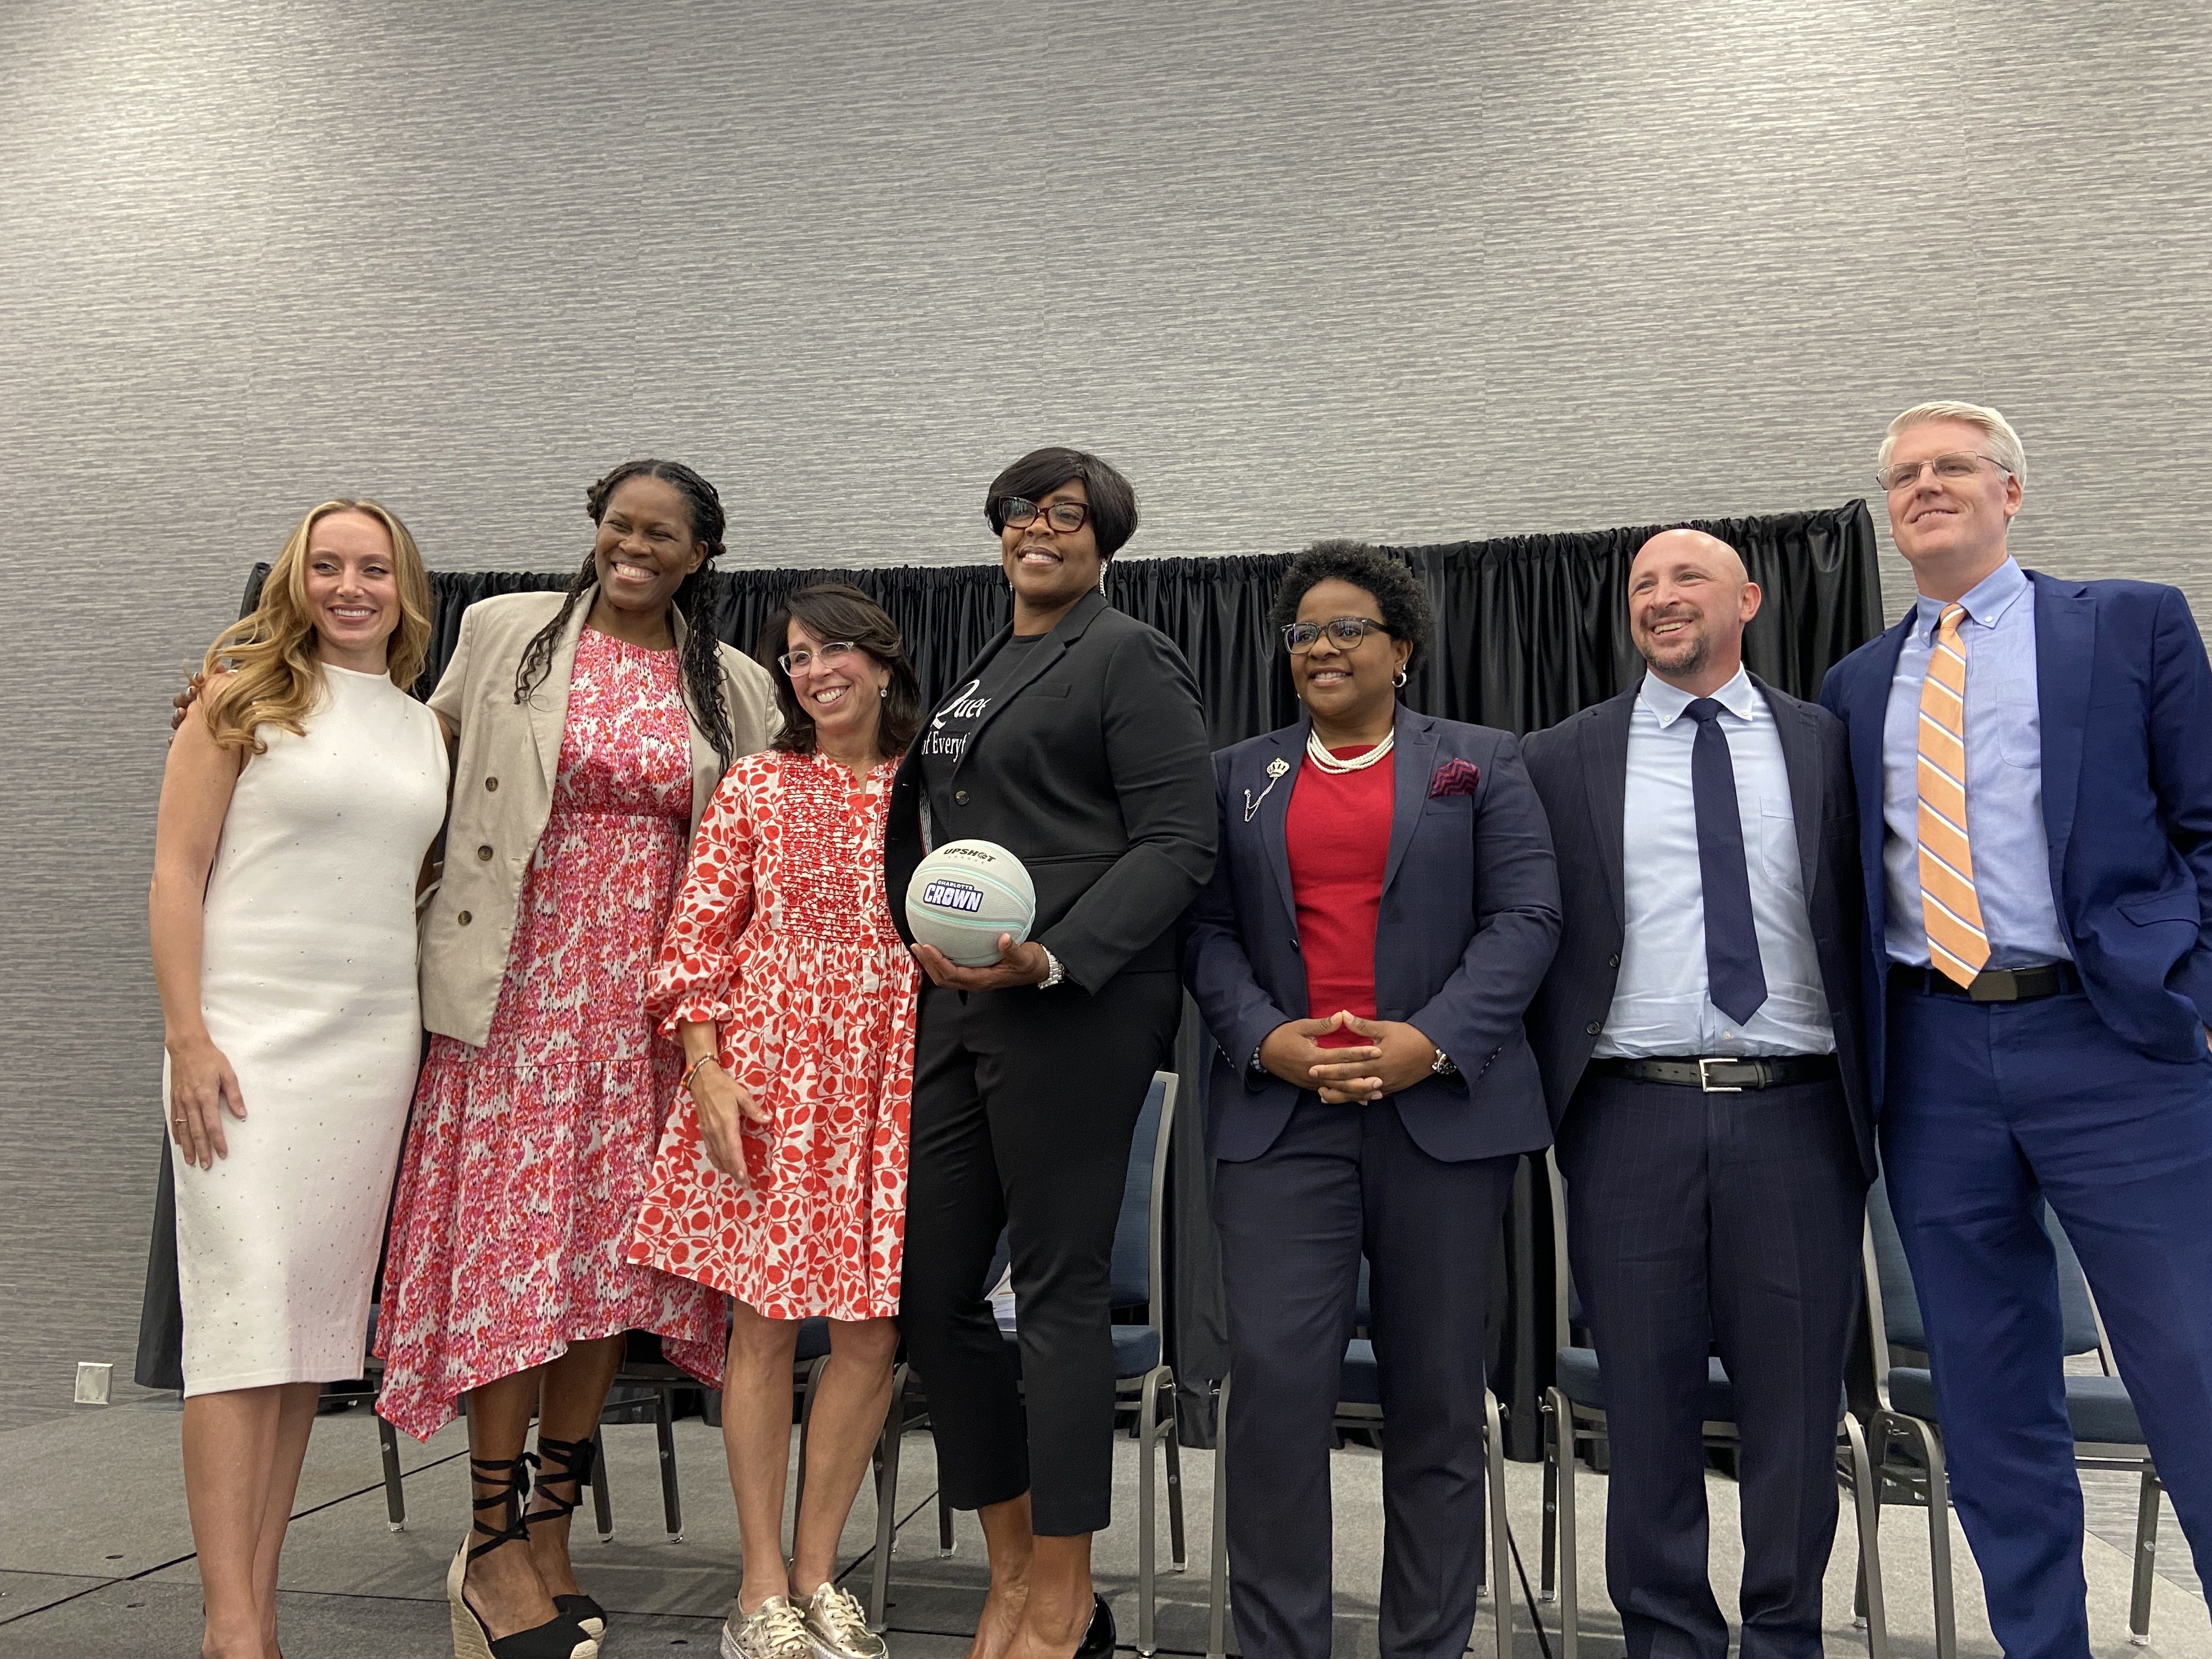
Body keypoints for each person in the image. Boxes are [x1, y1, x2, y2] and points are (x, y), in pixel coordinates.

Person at [1821, 401, 2212, 1657]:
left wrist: (2193, 999)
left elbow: (2204, 819)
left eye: (1953, 468)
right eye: (1904, 477)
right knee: (1992, 1398)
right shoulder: (1856, 683)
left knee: (2193, 1367)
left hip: (2115, 1046)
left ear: (2011, 493)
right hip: (1934, 1061)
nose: (1927, 488)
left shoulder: (2132, 621)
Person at [375, 460, 779, 1659]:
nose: (635, 548)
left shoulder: (738, 685)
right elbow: (411, 754)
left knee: (604, 1276)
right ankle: (490, 1548)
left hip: (654, 1024)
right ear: (596, 532)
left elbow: (766, 835)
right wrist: (258, 708)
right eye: (619, 527)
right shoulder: (505, 634)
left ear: (702, 553)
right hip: (517, 1001)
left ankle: (552, 1533)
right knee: (513, 1268)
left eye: (662, 535)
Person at [1182, 540, 1561, 1659]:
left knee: (1439, 1401)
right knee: (1277, 1395)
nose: (1323, 647)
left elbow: (1528, 920)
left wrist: (1430, 1042)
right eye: (1304, 632)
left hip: (1440, 1120)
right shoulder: (1235, 774)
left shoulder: (1482, 763)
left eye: (1349, 628)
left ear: (1402, 649)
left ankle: (1427, 1646)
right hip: (1282, 1119)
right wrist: (1269, 1041)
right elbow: (1203, 937)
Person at [886, 446, 1215, 1659]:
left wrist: (1053, 955)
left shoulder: (1124, 654)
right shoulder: (986, 662)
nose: (1040, 528)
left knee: (1062, 1298)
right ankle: (1014, 1563)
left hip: (1071, 1004)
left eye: (1067, 514)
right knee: (931, 1297)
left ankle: (1065, 1599)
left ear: (1104, 538)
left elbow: (1182, 841)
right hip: (963, 1008)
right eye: (1020, 511)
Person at [1523, 528, 1873, 1659]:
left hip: (1799, 1112)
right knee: (1645, 1410)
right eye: (1643, 587)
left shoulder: (1832, 743)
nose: (1662, 601)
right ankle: (1666, 1639)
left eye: (1686, 581)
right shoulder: (1562, 757)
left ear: (1750, 600)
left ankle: (1786, 1637)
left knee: (1794, 1413)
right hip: (1630, 1117)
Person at [151, 499, 448, 1659]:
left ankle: (256, 1610)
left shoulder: (425, 729)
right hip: (244, 1045)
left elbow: (397, 886)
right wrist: (187, 1036)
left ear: (403, 585)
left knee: (299, 1346)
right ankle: (234, 1632)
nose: (350, 585)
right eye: (326, 566)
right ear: (296, 580)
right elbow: (177, 873)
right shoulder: (239, 699)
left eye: (372, 567)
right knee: (238, 1331)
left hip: (371, 1046)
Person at [631, 583, 921, 1659]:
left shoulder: (931, 789)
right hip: (770, 1079)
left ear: (885, 665)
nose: (813, 669)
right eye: (796, 655)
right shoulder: (759, 783)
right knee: (761, 1325)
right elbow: (692, 948)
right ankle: (759, 1587)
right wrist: (704, 1072)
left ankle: (817, 1574)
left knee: (868, 1333)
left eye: (835, 648)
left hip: (891, 1080)